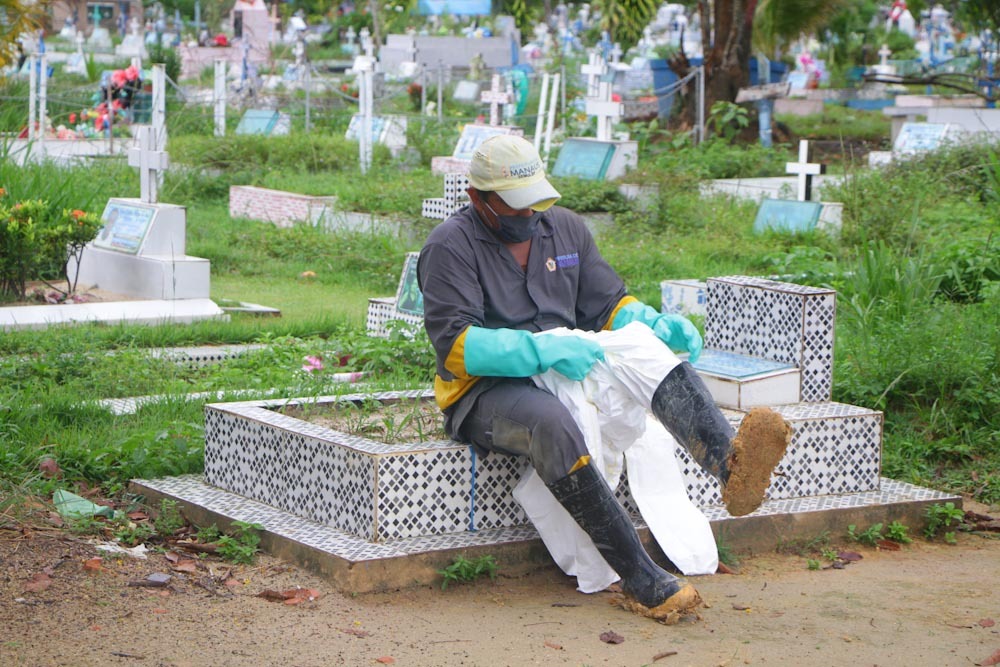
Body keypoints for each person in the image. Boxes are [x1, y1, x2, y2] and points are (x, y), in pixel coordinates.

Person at [417, 135, 791, 618]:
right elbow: (458, 347)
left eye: (536, 203)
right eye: (515, 207)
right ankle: (640, 576)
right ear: (477, 199)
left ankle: (729, 464)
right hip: (485, 392)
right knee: (550, 423)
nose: (529, 216)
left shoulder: (565, 230)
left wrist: (654, 322)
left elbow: (609, 305)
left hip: (565, 363)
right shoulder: (450, 247)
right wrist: (540, 349)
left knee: (640, 345)